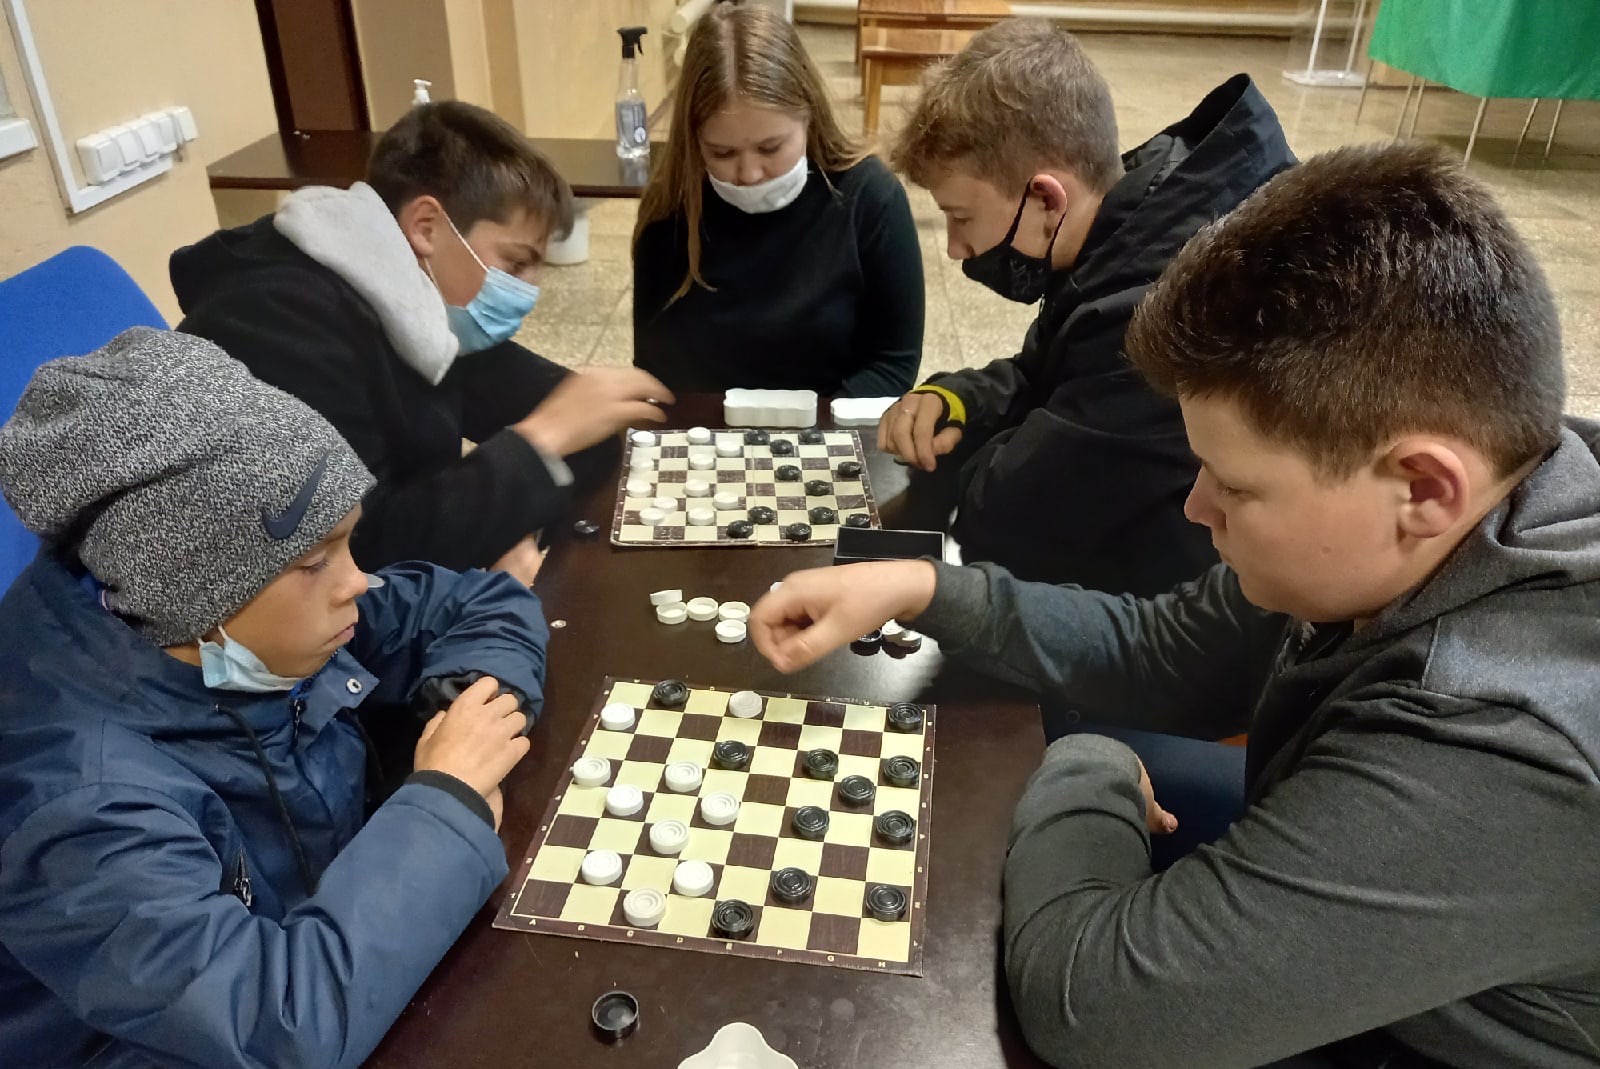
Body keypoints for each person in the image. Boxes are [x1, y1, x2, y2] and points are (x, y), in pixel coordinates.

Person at [749, 145, 1599, 1069]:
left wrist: (1092, 764)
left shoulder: (1500, 744)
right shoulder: (1452, 505)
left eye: (1234, 487)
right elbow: (1163, 652)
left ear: (1423, 486)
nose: (1196, 509)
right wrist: (925, 589)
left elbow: (1095, 1009)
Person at [0, 329, 547, 1069]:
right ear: (191, 592)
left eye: (350, 542)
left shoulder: (242, 622)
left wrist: (462, 708)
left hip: (311, 942)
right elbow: (278, 1036)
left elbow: (478, 601)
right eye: (317, 559)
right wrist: (443, 800)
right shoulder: (77, 809)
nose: (358, 582)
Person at [172, 100, 671, 584]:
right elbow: (353, 554)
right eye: (515, 263)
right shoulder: (280, 323)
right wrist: (544, 439)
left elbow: (550, 401)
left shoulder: (414, 296)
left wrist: (570, 431)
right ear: (426, 227)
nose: (529, 290)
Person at [879, 19, 1294, 593]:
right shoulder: (1131, 218)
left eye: (961, 217)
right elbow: (1045, 375)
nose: (955, 249)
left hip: (1164, 602)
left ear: (1047, 198)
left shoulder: (1158, 306)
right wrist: (961, 400)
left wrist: (960, 457)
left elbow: (1006, 518)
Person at [632, 2, 924, 398]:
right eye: (722, 153)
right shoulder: (670, 207)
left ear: (809, 117)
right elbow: (654, 370)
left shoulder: (870, 198)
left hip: (830, 422)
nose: (749, 174)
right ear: (694, 141)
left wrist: (809, 425)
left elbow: (894, 362)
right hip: (708, 428)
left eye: (770, 148)